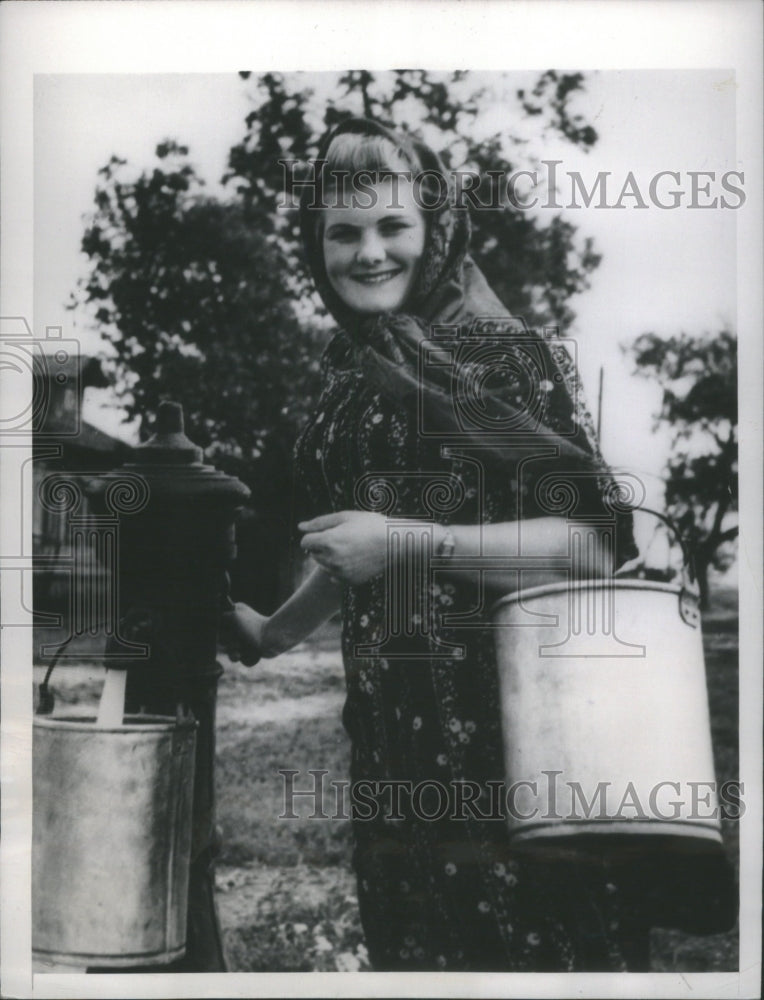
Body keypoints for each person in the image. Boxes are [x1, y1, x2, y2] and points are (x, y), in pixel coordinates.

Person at [222, 117, 648, 971]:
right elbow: (358, 549)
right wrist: (276, 632)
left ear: (436, 227)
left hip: (521, 737)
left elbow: (596, 546)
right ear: (318, 246)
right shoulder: (351, 381)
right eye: (343, 232)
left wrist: (410, 545)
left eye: (392, 226)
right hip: (396, 745)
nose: (368, 252)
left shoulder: (500, 356)